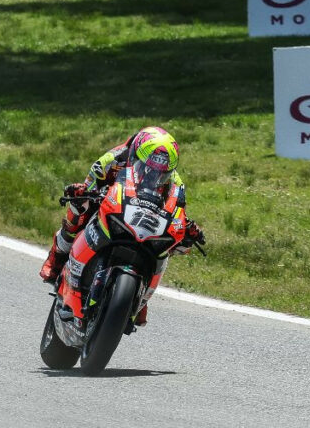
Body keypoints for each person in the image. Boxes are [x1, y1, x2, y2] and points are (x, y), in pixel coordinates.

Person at [39, 126, 205, 326]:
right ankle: (56, 259)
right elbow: (90, 183)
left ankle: (139, 295)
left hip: (141, 215)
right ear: (136, 154)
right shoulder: (111, 160)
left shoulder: (175, 181)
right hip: (111, 201)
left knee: (165, 243)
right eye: (149, 168)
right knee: (79, 210)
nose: (154, 175)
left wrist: (186, 226)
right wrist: (84, 191)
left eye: (161, 172)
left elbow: (177, 210)